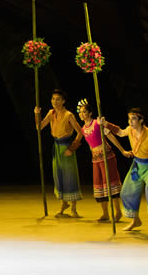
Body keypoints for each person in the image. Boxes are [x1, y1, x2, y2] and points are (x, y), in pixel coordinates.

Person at [103, 108, 148, 237]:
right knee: (127, 192)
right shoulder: (130, 130)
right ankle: (135, 220)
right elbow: (120, 132)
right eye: (129, 119)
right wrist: (106, 124)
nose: (130, 122)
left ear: (141, 120)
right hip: (137, 165)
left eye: (133, 119)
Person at [35, 89, 83, 217]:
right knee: (59, 175)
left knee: (70, 176)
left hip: (66, 146)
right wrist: (37, 114)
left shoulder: (69, 115)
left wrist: (72, 148)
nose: (54, 102)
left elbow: (80, 132)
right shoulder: (51, 113)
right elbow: (39, 127)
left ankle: (73, 208)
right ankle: (64, 203)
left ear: (63, 101)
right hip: (56, 147)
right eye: (53, 99)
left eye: (57, 99)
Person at [75, 100, 123, 222]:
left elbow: (110, 136)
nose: (81, 114)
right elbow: (90, 146)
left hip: (107, 157)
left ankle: (118, 212)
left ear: (90, 113)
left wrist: (122, 150)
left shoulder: (97, 123)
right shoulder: (83, 129)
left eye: (84, 112)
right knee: (99, 186)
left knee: (111, 184)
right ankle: (105, 213)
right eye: (80, 112)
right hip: (96, 160)